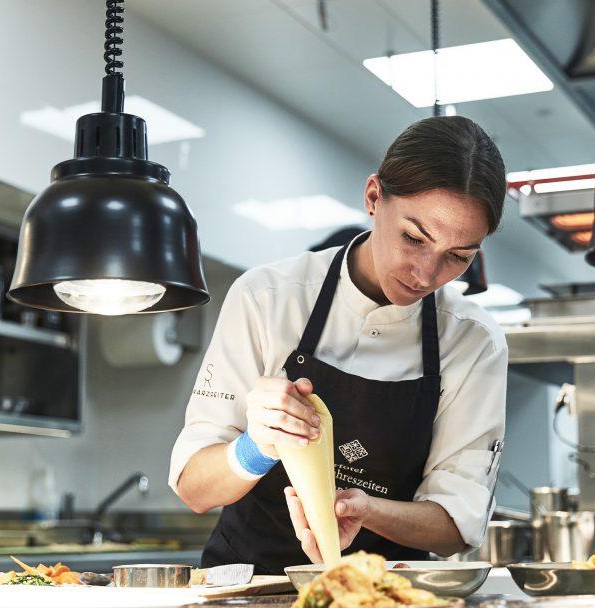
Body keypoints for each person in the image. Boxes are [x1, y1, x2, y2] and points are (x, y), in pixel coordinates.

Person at [169, 116, 509, 574]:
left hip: (390, 602)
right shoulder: (268, 298)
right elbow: (195, 488)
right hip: (248, 594)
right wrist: (258, 445)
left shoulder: (472, 340)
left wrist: (363, 510)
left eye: (458, 257)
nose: (426, 275)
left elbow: (455, 528)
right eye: (413, 238)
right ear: (373, 198)